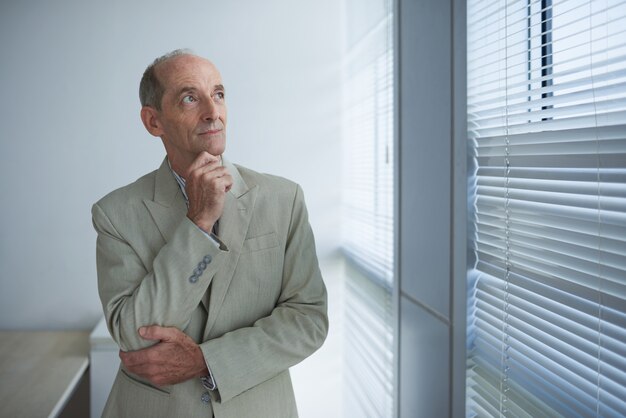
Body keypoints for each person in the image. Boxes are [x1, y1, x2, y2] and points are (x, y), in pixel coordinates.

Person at [92, 49, 328, 418]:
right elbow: (134, 333)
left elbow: (308, 319)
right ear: (154, 121)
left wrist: (206, 361)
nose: (212, 111)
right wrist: (197, 226)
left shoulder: (284, 199)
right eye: (190, 97)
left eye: (218, 94)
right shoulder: (116, 214)